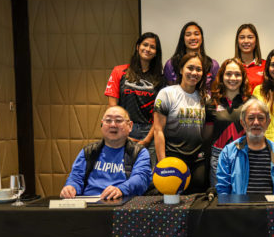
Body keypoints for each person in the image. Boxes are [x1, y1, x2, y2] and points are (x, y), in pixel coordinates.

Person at [60, 106, 151, 199]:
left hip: (122, 205)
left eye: (118, 120)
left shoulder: (139, 152)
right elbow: (76, 178)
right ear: (102, 124)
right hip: (89, 205)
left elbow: (141, 178)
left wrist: (121, 189)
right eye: (108, 120)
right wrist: (71, 187)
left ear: (130, 126)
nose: (113, 125)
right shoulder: (89, 151)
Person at [104, 32, 165, 168]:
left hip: (150, 132)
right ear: (138, 47)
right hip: (123, 129)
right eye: (145, 45)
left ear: (156, 52)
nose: (148, 49)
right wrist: (123, 132)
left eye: (152, 47)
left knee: (146, 177)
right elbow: (112, 108)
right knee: (122, 173)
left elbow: (159, 114)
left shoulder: (160, 79)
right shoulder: (119, 71)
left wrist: (148, 139)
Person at [216, 98, 274, 195]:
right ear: (243, 123)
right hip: (240, 208)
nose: (256, 122)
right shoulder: (228, 152)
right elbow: (223, 189)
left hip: (272, 208)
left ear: (268, 122)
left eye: (261, 118)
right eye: (251, 118)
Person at [153, 53, 208, 194]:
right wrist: (162, 163)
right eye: (190, 68)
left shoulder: (205, 97)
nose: (194, 73)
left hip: (198, 160)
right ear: (181, 69)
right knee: (173, 203)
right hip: (173, 158)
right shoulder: (167, 94)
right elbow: (158, 130)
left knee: (197, 202)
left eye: (198, 69)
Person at [203, 58, 251, 187]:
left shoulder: (251, 102)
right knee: (220, 200)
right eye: (228, 74)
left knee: (243, 198)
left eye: (237, 74)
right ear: (221, 76)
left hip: (244, 155)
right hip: (218, 157)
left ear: (243, 77)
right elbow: (207, 137)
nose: (233, 78)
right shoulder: (211, 103)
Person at [163, 21, 219, 91]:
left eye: (196, 34)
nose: (193, 38)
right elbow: (169, 92)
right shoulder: (171, 64)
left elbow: (215, 92)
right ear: (183, 39)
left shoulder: (213, 65)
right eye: (188, 35)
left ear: (202, 38)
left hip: (204, 101)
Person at [235, 23, 265, 91]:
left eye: (250, 37)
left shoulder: (266, 66)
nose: (246, 41)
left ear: (256, 40)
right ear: (237, 41)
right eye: (242, 37)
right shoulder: (230, 66)